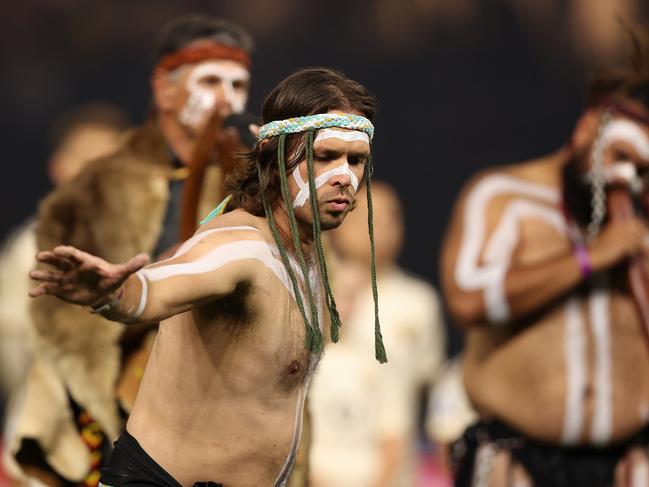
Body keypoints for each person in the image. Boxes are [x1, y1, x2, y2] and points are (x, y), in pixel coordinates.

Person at [29, 67, 386, 487]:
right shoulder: (241, 246)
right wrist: (113, 292)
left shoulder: (306, 254)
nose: (345, 176)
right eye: (324, 156)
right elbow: (155, 288)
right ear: (275, 155)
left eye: (356, 160)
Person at [5, 14, 256, 486]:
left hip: (214, 414)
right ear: (164, 89)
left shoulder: (253, 187)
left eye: (238, 83)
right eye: (209, 80)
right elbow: (55, 313)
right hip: (95, 413)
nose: (226, 99)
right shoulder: (99, 183)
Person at [441, 25, 649, 487]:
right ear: (584, 132)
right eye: (618, 155)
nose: (625, 176)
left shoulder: (639, 224)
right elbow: (467, 300)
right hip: (518, 461)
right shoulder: (503, 197)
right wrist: (587, 260)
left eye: (640, 169)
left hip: (625, 462)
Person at [309, 181, 446, 486]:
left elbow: (426, 388)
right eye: (366, 216)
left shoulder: (419, 302)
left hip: (392, 471)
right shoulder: (314, 292)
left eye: (390, 217)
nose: (379, 227)